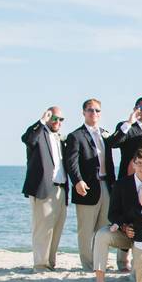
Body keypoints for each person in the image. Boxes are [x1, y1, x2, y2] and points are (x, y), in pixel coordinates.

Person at [92, 149, 142, 282]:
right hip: (125, 234)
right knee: (101, 235)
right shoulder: (120, 184)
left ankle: (140, 272)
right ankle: (99, 281)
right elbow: (112, 214)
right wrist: (124, 227)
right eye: (139, 163)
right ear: (133, 165)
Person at [64, 99, 120, 271]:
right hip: (86, 188)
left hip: (107, 186)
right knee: (86, 229)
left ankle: (100, 262)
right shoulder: (76, 136)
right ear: (83, 112)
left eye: (97, 110)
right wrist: (77, 181)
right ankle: (88, 264)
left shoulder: (105, 135)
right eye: (90, 110)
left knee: (103, 228)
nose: (93, 113)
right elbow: (71, 162)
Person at [21, 107, 69, 271]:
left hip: (61, 189)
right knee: (42, 228)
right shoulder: (39, 134)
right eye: (54, 118)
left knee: (56, 228)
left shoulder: (60, 139)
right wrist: (41, 121)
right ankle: (40, 264)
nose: (57, 122)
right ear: (47, 117)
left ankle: (50, 262)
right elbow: (28, 138)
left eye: (60, 119)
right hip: (43, 189)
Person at [112, 97, 142, 180]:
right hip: (128, 177)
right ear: (135, 109)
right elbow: (114, 144)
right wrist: (129, 123)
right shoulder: (126, 126)